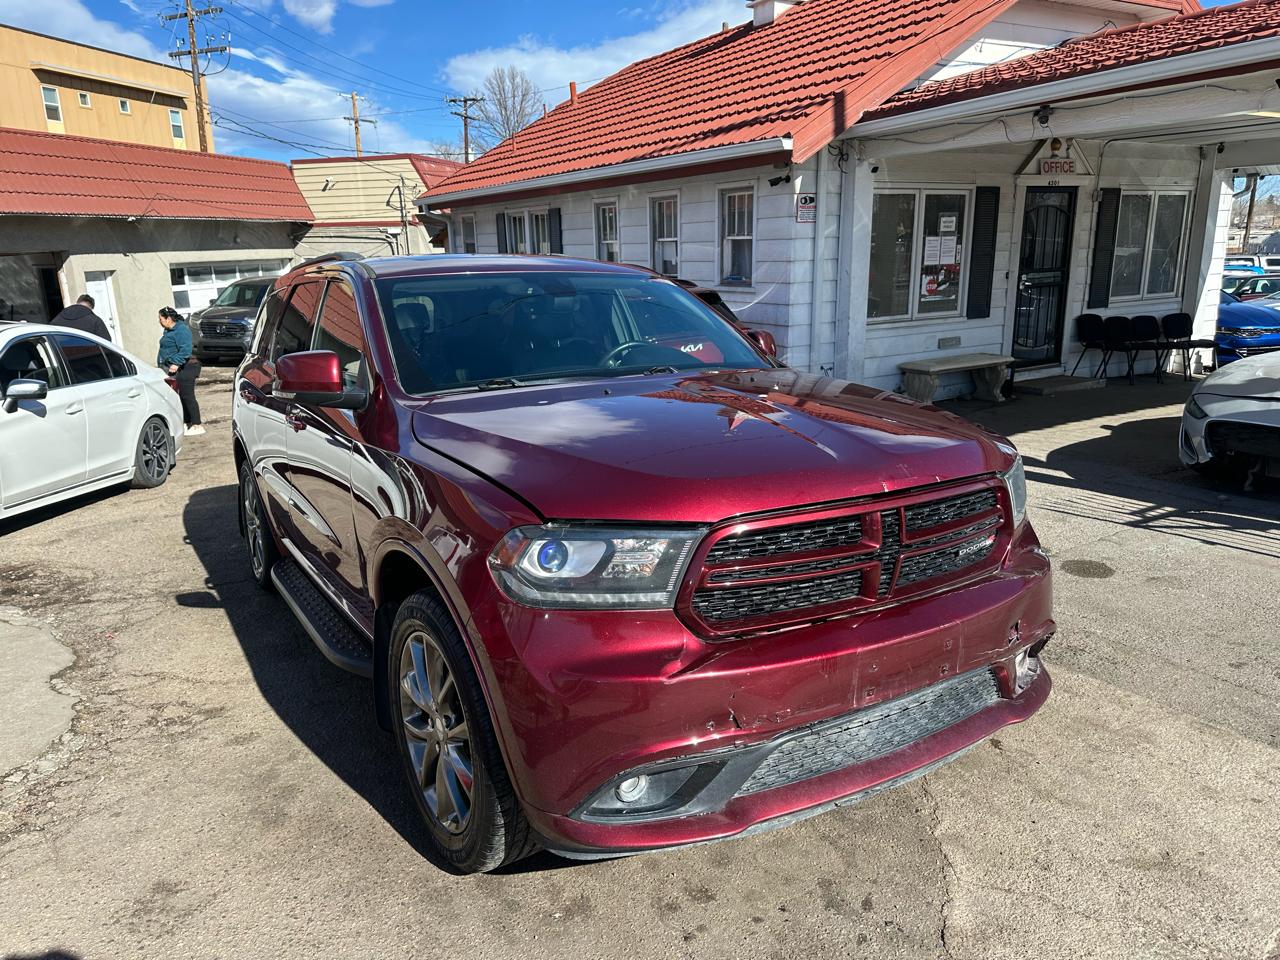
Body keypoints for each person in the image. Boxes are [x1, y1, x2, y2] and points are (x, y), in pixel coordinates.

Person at [157, 306, 204, 436]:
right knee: (180, 396)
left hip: (187, 367)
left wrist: (176, 362)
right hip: (173, 367)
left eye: (161, 319)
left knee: (187, 396)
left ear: (168, 319)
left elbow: (185, 349)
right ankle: (187, 422)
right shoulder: (169, 330)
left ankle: (197, 424)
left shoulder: (181, 330)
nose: (159, 321)